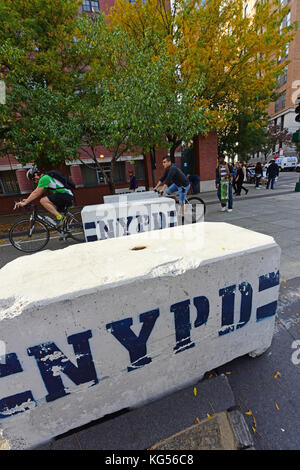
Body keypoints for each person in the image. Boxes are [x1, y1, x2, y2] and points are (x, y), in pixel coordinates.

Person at [153, 155, 190, 220]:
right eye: (162, 162)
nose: (163, 164)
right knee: (167, 191)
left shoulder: (173, 168)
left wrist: (162, 189)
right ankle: (177, 200)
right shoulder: (167, 169)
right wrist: (155, 187)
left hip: (183, 186)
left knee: (182, 202)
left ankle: (183, 216)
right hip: (177, 184)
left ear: (169, 162)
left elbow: (167, 180)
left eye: (164, 162)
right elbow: (162, 178)